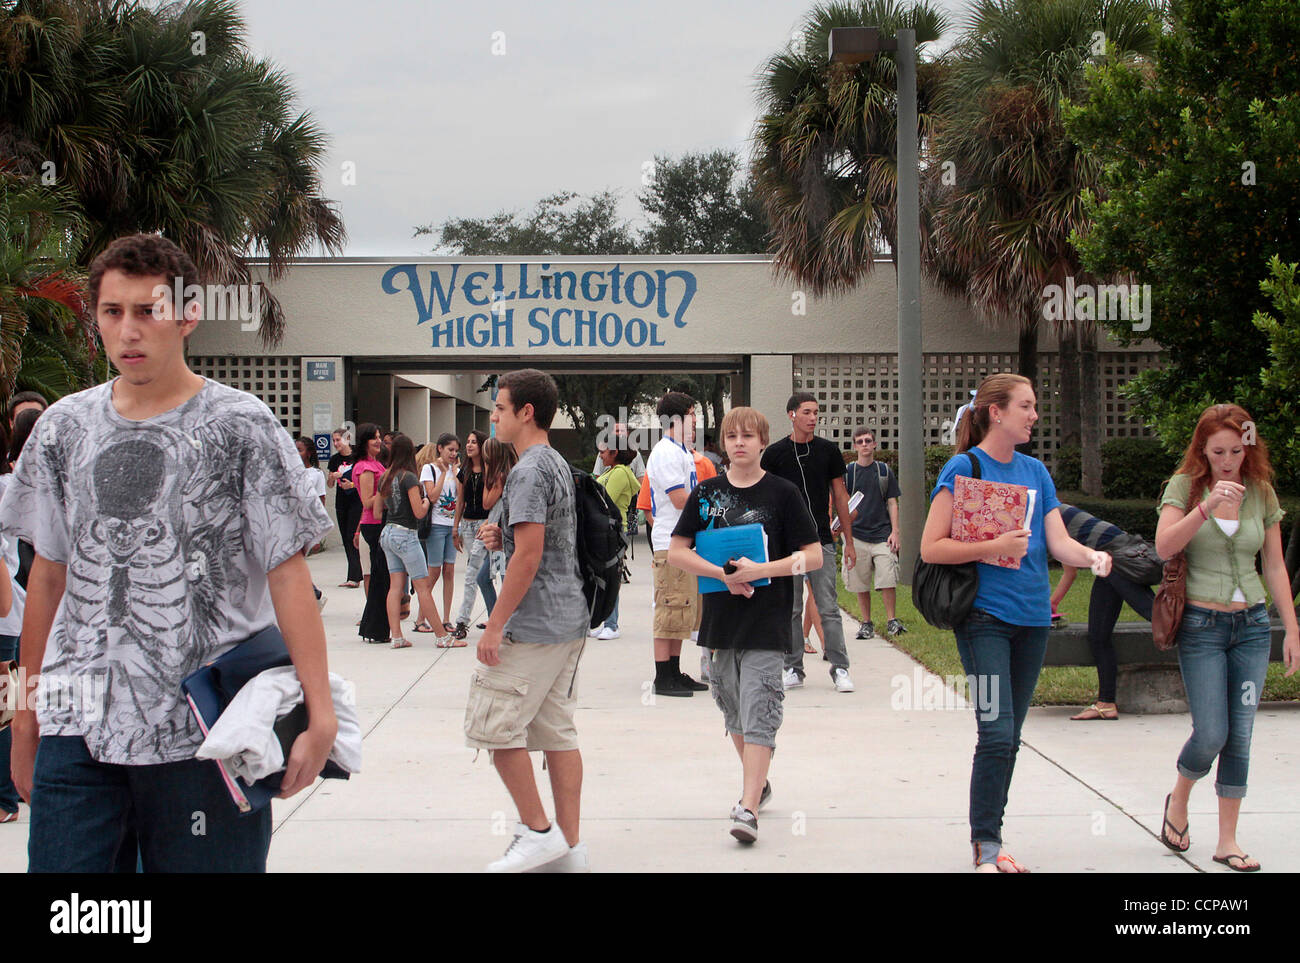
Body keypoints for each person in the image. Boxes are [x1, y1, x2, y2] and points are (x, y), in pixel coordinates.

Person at [0, 232, 335, 871]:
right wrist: (23, 716)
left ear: (187, 315)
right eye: (112, 312)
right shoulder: (62, 429)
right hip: (76, 723)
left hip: (205, 728)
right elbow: (45, 577)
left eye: (147, 311)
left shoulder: (243, 425)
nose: (129, 331)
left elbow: (288, 575)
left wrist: (319, 711)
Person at [921, 372, 1111, 873]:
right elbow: (930, 546)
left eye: (1034, 406)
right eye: (1026, 406)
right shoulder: (965, 467)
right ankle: (986, 845)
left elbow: (1057, 542)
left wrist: (1092, 556)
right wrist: (993, 547)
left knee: (1012, 734)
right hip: (983, 617)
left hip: (1033, 619)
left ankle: (992, 835)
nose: (1034, 414)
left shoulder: (1035, 471)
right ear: (995, 412)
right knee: (998, 733)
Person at [1153, 403, 1298, 872]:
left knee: (1240, 735)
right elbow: (1164, 546)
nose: (1229, 460)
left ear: (1247, 447)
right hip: (1202, 626)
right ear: (1203, 449)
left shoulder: (1260, 492)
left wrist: (1291, 627)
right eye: (1218, 451)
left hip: (1252, 626)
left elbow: (1274, 565)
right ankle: (1179, 795)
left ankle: (1227, 841)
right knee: (1212, 732)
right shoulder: (1185, 487)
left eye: (1237, 450)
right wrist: (1207, 506)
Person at [668, 407, 820, 844]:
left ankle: (748, 806)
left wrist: (762, 569)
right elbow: (679, 550)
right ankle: (760, 782)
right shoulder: (706, 493)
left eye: (748, 436)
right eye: (731, 435)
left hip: (768, 618)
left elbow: (811, 555)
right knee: (731, 705)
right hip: (720, 616)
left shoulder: (783, 493)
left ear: (761, 442)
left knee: (760, 704)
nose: (739, 442)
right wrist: (723, 575)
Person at [466, 369, 591, 873]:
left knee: (495, 731)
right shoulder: (554, 462)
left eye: (499, 408)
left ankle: (538, 832)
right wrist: (507, 540)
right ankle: (571, 848)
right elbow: (537, 542)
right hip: (568, 619)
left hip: (535, 624)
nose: (492, 416)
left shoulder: (529, 469)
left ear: (526, 413)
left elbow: (531, 555)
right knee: (558, 734)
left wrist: (494, 624)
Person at [760, 392, 857, 692]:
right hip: (786, 544)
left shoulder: (828, 451)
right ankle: (793, 667)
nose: (813, 417)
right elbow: (765, 499)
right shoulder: (775, 454)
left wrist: (849, 541)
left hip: (821, 540)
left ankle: (840, 668)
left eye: (816, 412)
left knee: (828, 607)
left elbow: (840, 495)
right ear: (791, 414)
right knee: (791, 608)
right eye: (806, 412)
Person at [1050, 506, 1163, 721]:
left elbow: (1069, 570)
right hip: (1107, 565)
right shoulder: (1052, 516)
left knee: (1163, 619)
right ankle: (1106, 703)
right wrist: (1052, 603)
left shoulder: (1049, 514)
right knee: (1098, 635)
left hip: (1120, 559)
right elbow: (1070, 571)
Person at [645, 391, 707, 697]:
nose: (695, 420)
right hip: (670, 542)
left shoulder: (681, 451)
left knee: (683, 608)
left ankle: (674, 669)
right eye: (692, 413)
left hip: (684, 542)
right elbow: (679, 498)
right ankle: (662, 676)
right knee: (669, 607)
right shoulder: (665, 452)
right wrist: (709, 507)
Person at [378, 433, 447, 650]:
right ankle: (442, 636)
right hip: (406, 535)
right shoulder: (409, 478)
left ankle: (397, 636)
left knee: (395, 587)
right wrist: (426, 502)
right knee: (423, 586)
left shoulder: (385, 477)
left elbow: (382, 507)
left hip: (388, 532)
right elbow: (418, 512)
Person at [842, 426, 904, 640]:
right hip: (857, 534)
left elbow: (892, 502)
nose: (865, 444)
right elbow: (842, 504)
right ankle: (866, 622)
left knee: (887, 578)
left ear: (875, 444)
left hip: (882, 534)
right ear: (855, 446)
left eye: (868, 440)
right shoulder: (849, 473)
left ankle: (892, 620)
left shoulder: (884, 471)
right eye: (860, 441)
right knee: (861, 581)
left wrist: (895, 532)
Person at [416, 433, 460, 644]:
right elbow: (432, 496)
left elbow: (462, 496)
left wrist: (455, 472)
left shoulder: (456, 470)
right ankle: (421, 617)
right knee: (433, 571)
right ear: (440, 448)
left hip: (451, 525)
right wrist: (443, 473)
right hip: (435, 525)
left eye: (455, 450)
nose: (453, 454)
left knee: (449, 570)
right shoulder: (430, 469)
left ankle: (446, 617)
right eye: (450, 449)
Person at [590, 447, 638, 640]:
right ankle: (606, 622)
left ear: (614, 452)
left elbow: (604, 500)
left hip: (613, 530)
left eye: (603, 452)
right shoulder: (612, 471)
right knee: (602, 576)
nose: (600, 455)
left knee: (610, 577)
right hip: (606, 529)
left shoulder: (619, 473)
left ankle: (611, 624)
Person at [450, 429, 491, 641]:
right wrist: (455, 528)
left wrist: (490, 521)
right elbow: (460, 501)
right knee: (479, 574)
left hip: (485, 527)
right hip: (468, 525)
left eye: (474, 442)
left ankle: (462, 621)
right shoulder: (463, 470)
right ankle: (493, 616)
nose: (469, 445)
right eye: (468, 441)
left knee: (473, 574)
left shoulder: (490, 470)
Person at [472, 436, 517, 629]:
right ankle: (497, 620)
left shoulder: (499, 476)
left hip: (500, 534)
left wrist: (487, 474)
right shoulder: (506, 473)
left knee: (501, 578)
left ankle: (503, 622)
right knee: (488, 577)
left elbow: (486, 502)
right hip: (498, 532)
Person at [355, 423, 393, 643]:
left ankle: (374, 628)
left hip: (380, 522)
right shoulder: (365, 467)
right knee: (381, 579)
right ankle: (375, 629)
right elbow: (367, 501)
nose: (379, 441)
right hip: (374, 523)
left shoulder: (376, 464)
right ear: (364, 441)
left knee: (382, 578)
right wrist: (391, 496)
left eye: (379, 437)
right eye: (374, 438)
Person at [327, 426, 363, 588]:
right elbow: (329, 484)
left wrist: (353, 484)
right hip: (341, 502)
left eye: (338, 440)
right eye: (333, 440)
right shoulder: (334, 460)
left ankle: (355, 575)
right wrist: (332, 477)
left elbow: (365, 480)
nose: (336, 443)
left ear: (347, 439)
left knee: (352, 535)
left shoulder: (357, 457)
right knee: (345, 537)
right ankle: (353, 573)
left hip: (356, 501)